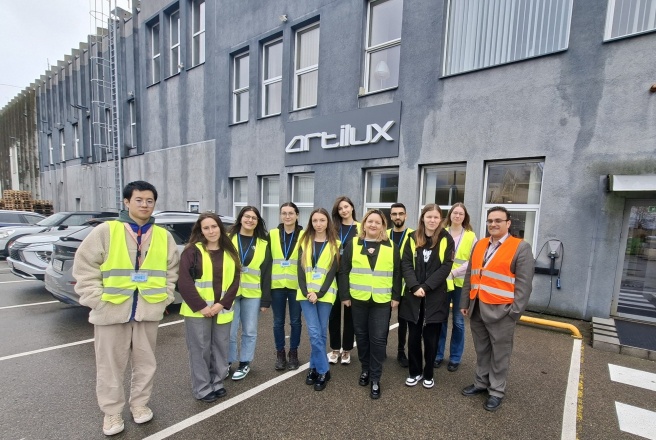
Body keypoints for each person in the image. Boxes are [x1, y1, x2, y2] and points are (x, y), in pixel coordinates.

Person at [73, 181, 180, 436]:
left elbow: (171, 271)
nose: (145, 205)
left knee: (146, 364)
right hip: (111, 310)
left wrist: (165, 298)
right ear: (127, 202)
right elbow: (85, 266)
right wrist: (96, 299)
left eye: (150, 201)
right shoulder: (107, 231)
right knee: (110, 366)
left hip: (148, 309)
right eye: (139, 200)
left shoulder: (163, 236)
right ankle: (112, 413)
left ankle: (140, 404)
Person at [460, 206, 534, 412]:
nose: (493, 224)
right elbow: (470, 275)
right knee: (482, 349)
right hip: (477, 307)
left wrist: (514, 313)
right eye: (490, 220)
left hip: (502, 311)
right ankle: (480, 383)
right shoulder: (480, 244)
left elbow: (524, 285)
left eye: (498, 220)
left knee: (500, 353)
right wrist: (465, 303)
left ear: (508, 223)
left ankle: (496, 391)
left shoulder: (520, 248)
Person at [338, 209, 401, 399]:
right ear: (364, 224)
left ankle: (375, 377)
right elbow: (344, 271)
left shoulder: (391, 246)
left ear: (383, 226)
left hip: (382, 300)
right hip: (358, 298)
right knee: (362, 337)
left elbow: (397, 273)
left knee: (378, 339)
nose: (373, 225)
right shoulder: (353, 244)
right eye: (370, 221)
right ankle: (365, 369)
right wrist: (345, 295)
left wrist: (396, 296)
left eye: (377, 222)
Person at [178, 213, 240, 403]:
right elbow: (184, 282)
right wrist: (202, 306)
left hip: (222, 309)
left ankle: (217, 382)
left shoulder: (230, 251)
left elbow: (236, 280)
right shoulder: (191, 251)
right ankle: (202, 388)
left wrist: (221, 303)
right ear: (201, 231)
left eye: (214, 226)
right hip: (198, 311)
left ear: (220, 228)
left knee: (220, 347)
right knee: (200, 349)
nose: (211, 231)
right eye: (206, 228)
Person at [400, 204, 454, 390]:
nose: (432, 220)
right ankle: (414, 372)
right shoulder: (412, 237)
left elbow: (446, 266)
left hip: (435, 296)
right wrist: (415, 286)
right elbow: (406, 263)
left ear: (441, 220)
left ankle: (429, 373)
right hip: (413, 296)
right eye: (429, 216)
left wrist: (426, 286)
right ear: (422, 218)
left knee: (431, 339)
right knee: (413, 337)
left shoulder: (446, 239)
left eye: (436, 217)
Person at [296, 208, 340, 391]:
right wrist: (307, 291)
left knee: (321, 333)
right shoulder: (304, 241)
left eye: (322, 220)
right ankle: (324, 370)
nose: (318, 224)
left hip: (326, 293)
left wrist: (319, 293)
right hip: (305, 293)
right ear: (311, 223)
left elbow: (332, 272)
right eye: (315, 220)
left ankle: (314, 367)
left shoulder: (335, 243)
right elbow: (300, 269)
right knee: (314, 333)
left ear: (328, 222)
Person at [228, 206, 272, 381]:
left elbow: (266, 272)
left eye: (254, 218)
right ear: (240, 218)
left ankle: (244, 362)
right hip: (230, 292)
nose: (250, 220)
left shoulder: (263, 243)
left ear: (257, 222)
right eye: (247, 216)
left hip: (253, 293)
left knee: (250, 330)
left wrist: (265, 300)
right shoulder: (228, 238)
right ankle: (227, 362)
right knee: (229, 331)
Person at [435, 203, 477, 372]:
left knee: (458, 322)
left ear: (464, 217)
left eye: (461, 214)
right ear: (450, 215)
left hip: (460, 284)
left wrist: (453, 273)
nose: (457, 216)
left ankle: (455, 358)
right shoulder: (441, 233)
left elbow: (472, 260)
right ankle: (438, 355)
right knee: (441, 320)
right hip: (442, 283)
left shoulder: (471, 236)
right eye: (455, 213)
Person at [269, 202, 304, 370]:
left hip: (296, 286)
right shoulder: (272, 234)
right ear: (280, 215)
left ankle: (293, 353)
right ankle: (280, 353)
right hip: (277, 286)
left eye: (291, 213)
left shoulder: (304, 235)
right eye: (284, 213)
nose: (287, 216)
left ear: (297, 215)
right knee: (278, 322)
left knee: (296, 322)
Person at [328, 196, 360, 365]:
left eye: (346, 207)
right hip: (333, 275)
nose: (344, 211)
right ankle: (335, 348)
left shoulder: (361, 227)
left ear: (352, 207)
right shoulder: (332, 228)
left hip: (351, 275)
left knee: (350, 314)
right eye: (340, 209)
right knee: (333, 314)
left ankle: (346, 349)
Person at [387, 202, 414, 368]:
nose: (398, 217)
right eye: (394, 214)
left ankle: (400, 351)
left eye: (401, 213)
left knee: (403, 321)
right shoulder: (384, 234)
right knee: (383, 321)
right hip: (385, 284)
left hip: (405, 286)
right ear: (390, 216)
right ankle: (380, 349)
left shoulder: (413, 235)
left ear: (406, 215)